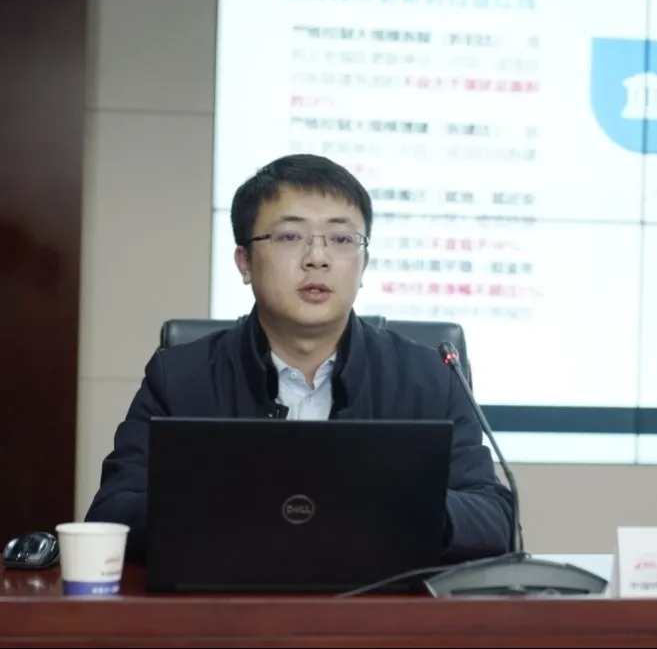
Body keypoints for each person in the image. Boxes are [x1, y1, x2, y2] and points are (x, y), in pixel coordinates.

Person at [85, 153, 515, 565]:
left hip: (379, 610)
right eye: (290, 237)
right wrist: (244, 507)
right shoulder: (181, 378)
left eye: (342, 239)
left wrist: (386, 506)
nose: (318, 258)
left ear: (364, 263)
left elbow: (493, 519)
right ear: (245, 262)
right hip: (228, 607)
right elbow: (113, 513)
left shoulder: (430, 378)